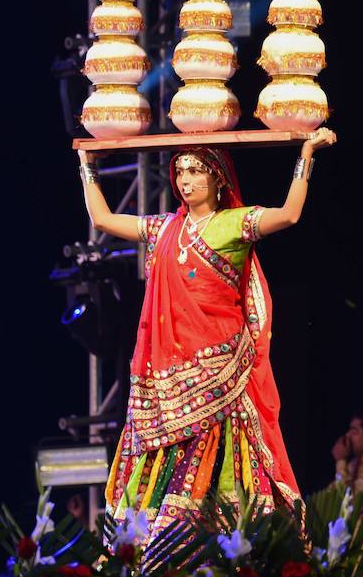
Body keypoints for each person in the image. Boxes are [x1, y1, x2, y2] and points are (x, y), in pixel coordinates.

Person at [78, 130, 337, 542]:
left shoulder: (236, 222)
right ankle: (160, 543)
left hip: (222, 370)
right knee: (165, 460)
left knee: (230, 452)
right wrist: (88, 167)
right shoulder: (164, 229)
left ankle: (240, 540)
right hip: (168, 376)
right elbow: (104, 220)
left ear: (218, 177)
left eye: (196, 170)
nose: (185, 180)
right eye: (180, 171)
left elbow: (288, 215)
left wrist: (305, 155)